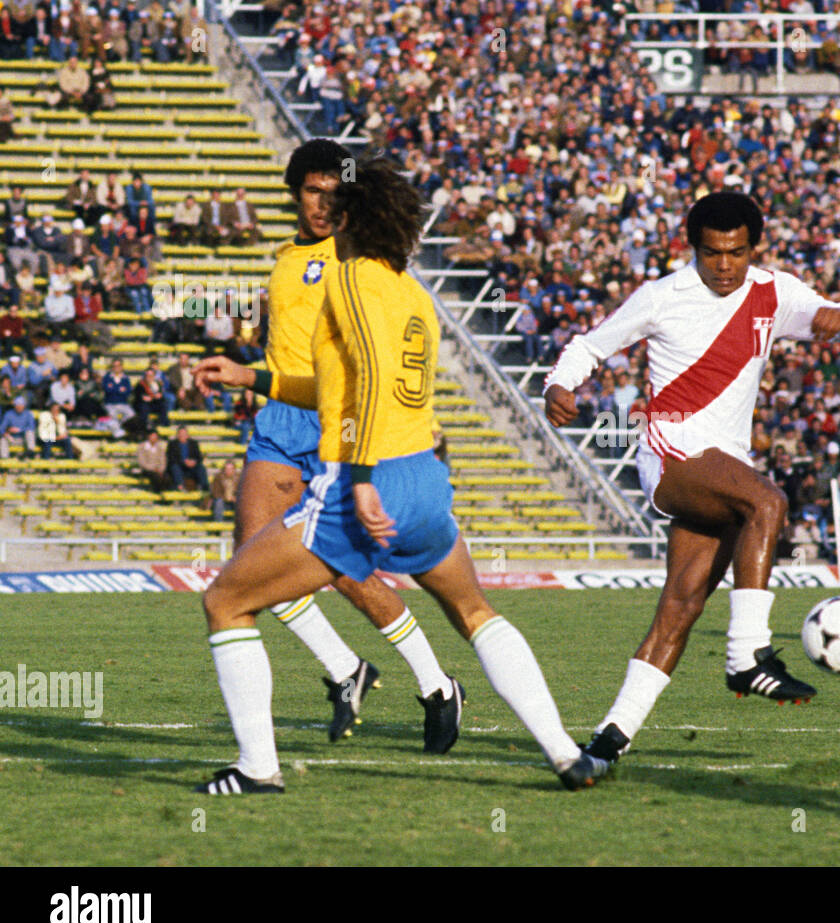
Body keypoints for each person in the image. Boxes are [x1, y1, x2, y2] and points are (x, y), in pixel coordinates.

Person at [192, 157, 607, 794]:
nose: (326, 212)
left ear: (355, 217)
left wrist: (356, 475)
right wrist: (256, 379)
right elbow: (339, 382)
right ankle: (565, 754)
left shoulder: (351, 279)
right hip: (423, 479)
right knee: (473, 610)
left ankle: (258, 770)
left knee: (227, 600)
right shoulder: (413, 292)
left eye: (339, 204)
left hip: (371, 477)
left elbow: (370, 379)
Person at [544, 191, 840, 766]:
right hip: (671, 455)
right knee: (767, 501)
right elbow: (590, 345)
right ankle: (746, 657)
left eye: (736, 253)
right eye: (712, 253)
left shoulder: (775, 292)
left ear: (753, 249)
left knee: (680, 609)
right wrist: (557, 386)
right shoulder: (663, 296)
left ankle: (606, 745)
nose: (724, 266)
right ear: (694, 248)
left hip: (723, 468)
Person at [214, 139, 487, 752]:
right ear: (294, 193)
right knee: (249, 564)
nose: (321, 202)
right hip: (282, 418)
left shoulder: (361, 262)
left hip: (340, 423)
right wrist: (245, 371)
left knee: (339, 571)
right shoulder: (286, 259)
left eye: (332, 191)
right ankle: (346, 670)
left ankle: (435, 682)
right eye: (311, 190)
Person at [166, 425, 208, 491]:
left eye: (184, 434)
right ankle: (180, 486)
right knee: (174, 467)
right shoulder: (172, 444)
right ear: (177, 435)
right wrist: (184, 462)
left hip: (191, 467)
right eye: (180, 434)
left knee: (201, 468)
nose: (182, 436)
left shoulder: (193, 443)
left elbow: (199, 457)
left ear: (187, 435)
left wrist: (194, 461)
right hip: (179, 467)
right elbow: (171, 458)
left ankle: (204, 487)